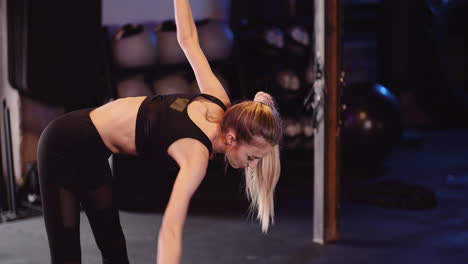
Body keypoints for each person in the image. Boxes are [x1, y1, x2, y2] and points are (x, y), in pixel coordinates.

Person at [37, 0, 283, 263]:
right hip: (63, 144)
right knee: (66, 256)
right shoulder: (195, 154)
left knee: (114, 246)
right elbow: (170, 229)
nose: (251, 166)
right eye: (252, 158)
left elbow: (188, 39)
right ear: (232, 138)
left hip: (94, 150)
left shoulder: (218, 100)